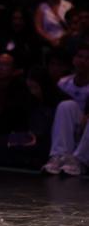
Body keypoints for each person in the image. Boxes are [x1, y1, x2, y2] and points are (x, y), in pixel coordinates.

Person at [41, 44, 89, 175]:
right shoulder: (63, 83)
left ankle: (79, 161)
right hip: (71, 129)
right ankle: (59, 157)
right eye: (80, 56)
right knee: (66, 105)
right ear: (74, 59)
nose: (83, 61)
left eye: (87, 58)